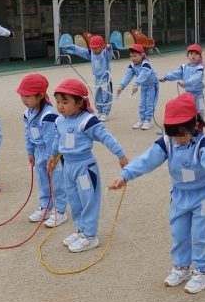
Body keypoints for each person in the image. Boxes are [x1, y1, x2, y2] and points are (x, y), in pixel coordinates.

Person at [110, 92, 205, 294]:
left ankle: (202, 271)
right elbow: (146, 160)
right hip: (180, 195)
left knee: (202, 233)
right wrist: (126, 175)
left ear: (193, 126)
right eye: (172, 134)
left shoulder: (202, 145)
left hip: (204, 197)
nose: (176, 139)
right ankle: (181, 266)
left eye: (179, 134)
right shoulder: (167, 142)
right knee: (179, 231)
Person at [50, 79, 128, 253]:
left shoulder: (87, 121)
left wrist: (121, 155)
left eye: (65, 102)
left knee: (88, 200)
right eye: (58, 102)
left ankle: (90, 236)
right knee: (74, 200)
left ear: (79, 103)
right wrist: (53, 155)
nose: (60, 106)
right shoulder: (59, 121)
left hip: (84, 168)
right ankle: (80, 230)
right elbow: (57, 139)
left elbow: (107, 137)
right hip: (67, 166)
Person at [16, 73, 68, 227]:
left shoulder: (49, 115)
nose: (24, 99)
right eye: (22, 95)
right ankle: (45, 206)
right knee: (42, 180)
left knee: (57, 182)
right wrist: (30, 151)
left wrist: (50, 158)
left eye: (28, 96)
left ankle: (60, 211)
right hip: (39, 152)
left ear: (40, 96)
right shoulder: (28, 113)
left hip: (53, 154)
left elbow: (52, 140)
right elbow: (28, 133)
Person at [61, 34, 114, 122]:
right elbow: (81, 51)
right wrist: (72, 47)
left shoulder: (105, 54)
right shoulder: (91, 53)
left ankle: (105, 112)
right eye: (92, 48)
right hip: (97, 78)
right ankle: (100, 111)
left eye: (96, 48)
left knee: (106, 95)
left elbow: (109, 55)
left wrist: (109, 48)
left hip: (105, 79)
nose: (94, 50)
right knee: (97, 95)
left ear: (102, 46)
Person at [117, 43, 159, 130]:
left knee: (150, 103)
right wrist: (121, 86)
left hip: (152, 86)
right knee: (142, 103)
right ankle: (141, 119)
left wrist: (136, 84)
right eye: (131, 56)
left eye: (135, 56)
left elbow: (143, 75)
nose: (133, 58)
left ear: (142, 55)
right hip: (143, 86)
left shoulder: (146, 64)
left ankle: (147, 120)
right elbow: (128, 75)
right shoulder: (132, 65)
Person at [160, 43, 205, 118]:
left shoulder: (199, 68)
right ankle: (191, 124)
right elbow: (176, 73)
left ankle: (201, 124)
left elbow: (197, 78)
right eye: (191, 54)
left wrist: (186, 83)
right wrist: (166, 77)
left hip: (199, 94)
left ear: (200, 57)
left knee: (200, 109)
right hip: (188, 94)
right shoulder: (184, 67)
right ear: (187, 56)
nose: (193, 55)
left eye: (196, 54)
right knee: (189, 109)